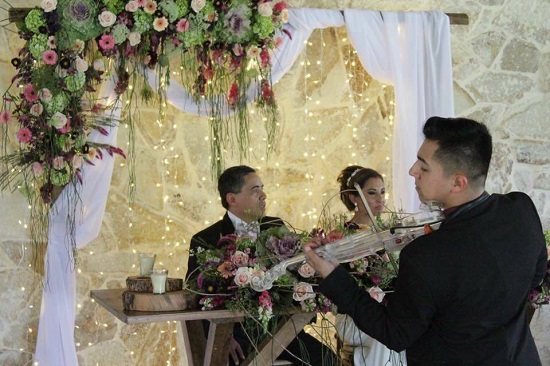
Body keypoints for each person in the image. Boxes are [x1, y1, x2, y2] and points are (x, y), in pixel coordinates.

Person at [305, 117, 548, 365]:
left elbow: (395, 333)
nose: (412, 171)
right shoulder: (521, 208)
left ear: (458, 182)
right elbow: (536, 276)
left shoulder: (426, 254)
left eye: (424, 167)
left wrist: (332, 274)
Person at [187, 165, 335, 366]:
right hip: (235, 336)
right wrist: (220, 339)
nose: (263, 195)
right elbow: (195, 296)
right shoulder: (206, 239)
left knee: (329, 361)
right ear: (232, 199)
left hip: (281, 328)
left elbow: (297, 271)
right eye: (255, 190)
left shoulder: (276, 226)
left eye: (262, 188)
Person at [335, 166, 407, 365]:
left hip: (385, 313)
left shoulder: (388, 232)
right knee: (385, 335)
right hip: (354, 317)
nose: (380, 199)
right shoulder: (342, 237)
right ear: (354, 198)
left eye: (383, 192)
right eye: (372, 193)